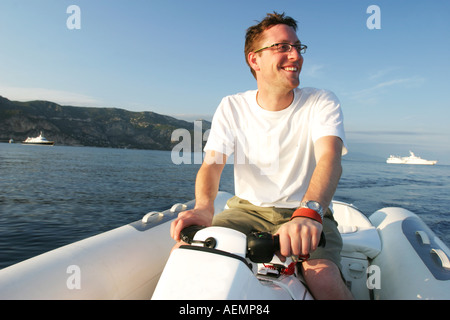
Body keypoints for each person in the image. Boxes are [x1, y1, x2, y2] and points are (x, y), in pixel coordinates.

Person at [170, 12, 353, 300]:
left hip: (304, 210)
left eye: (297, 47)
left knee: (324, 280)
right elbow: (212, 164)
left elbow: (330, 159)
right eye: (282, 47)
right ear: (254, 60)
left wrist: (309, 213)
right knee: (186, 255)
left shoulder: (320, 100)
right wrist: (204, 207)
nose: (295, 55)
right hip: (246, 210)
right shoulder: (232, 106)